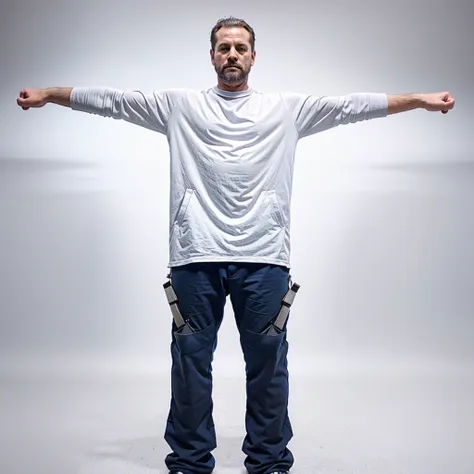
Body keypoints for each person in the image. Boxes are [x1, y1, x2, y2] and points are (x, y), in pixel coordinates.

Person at [17, 15, 455, 474]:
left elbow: (351, 106)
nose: (232, 55)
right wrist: (49, 94)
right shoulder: (179, 106)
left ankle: (267, 463)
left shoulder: (285, 109)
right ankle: (188, 462)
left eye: (240, 47)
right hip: (195, 257)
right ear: (211, 56)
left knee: (268, 368)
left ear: (253, 56)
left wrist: (419, 102)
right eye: (223, 47)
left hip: (264, 260)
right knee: (190, 365)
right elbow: (112, 101)